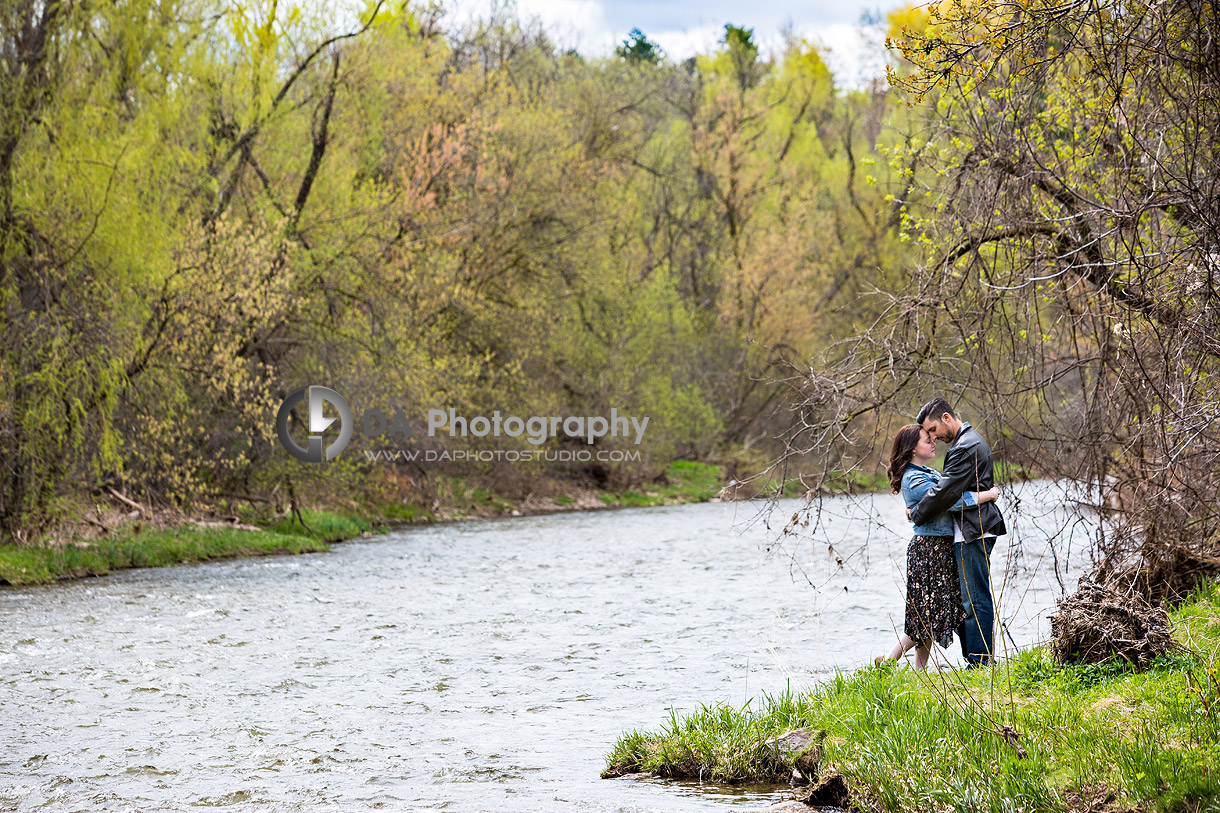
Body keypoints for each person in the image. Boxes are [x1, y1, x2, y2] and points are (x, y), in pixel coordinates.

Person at [877, 424, 1000, 669]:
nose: (933, 442)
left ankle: (917, 672)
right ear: (912, 449)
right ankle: (891, 658)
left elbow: (947, 492)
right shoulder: (915, 479)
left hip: (940, 547)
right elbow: (951, 501)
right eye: (926, 440)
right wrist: (988, 495)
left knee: (930, 610)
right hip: (929, 550)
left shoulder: (927, 473)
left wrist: (914, 512)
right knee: (930, 612)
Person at [909, 398, 1008, 667]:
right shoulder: (967, 443)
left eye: (932, 430)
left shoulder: (965, 446)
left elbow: (945, 492)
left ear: (945, 418)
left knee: (975, 598)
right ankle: (977, 660)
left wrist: (916, 513)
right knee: (969, 598)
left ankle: (980, 663)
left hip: (973, 529)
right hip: (971, 528)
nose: (932, 437)